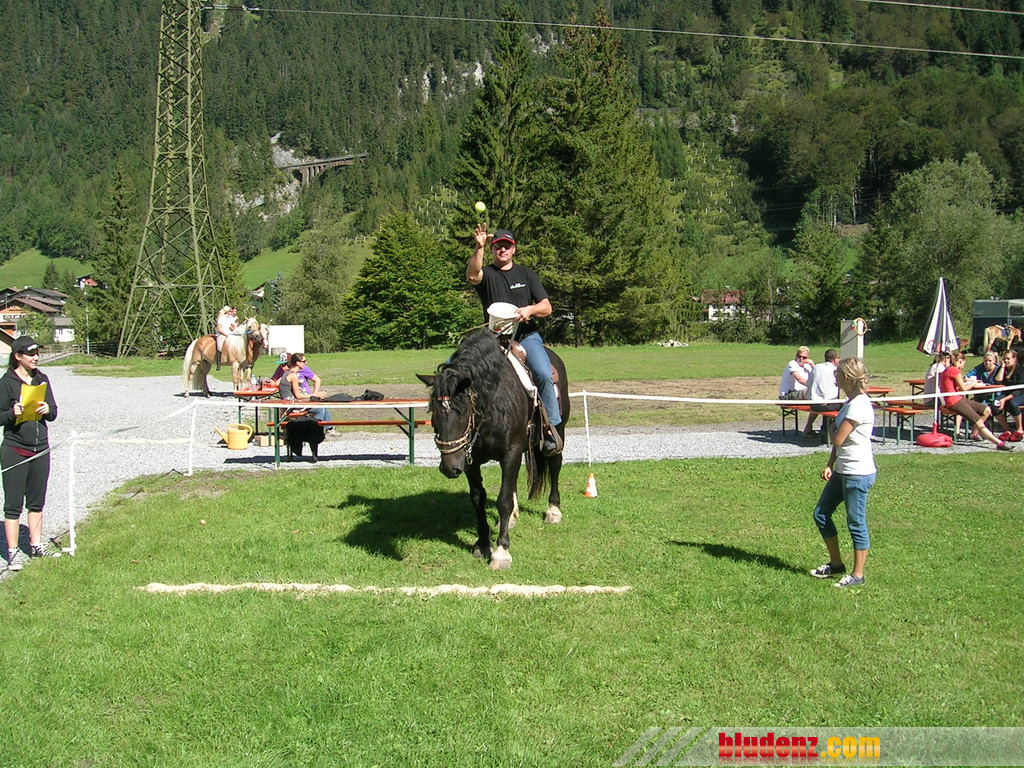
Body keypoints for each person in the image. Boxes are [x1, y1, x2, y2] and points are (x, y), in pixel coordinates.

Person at [468, 224, 561, 455]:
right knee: (457, 370)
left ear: (513, 249)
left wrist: (530, 309)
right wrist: (478, 248)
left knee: (543, 374)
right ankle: (463, 430)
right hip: (492, 339)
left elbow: (546, 307)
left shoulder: (526, 274)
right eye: (498, 246)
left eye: (507, 246)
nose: (502, 250)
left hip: (526, 337)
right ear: (492, 249)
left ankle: (550, 428)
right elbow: (472, 275)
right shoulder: (487, 274)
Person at [809, 357, 876, 589]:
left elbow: (836, 438)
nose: (834, 376)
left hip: (857, 473)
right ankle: (836, 564)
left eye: (837, 373)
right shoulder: (850, 402)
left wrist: (831, 428)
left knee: (855, 522)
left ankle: (858, 575)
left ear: (846, 378)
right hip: (841, 470)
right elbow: (838, 442)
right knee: (821, 514)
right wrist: (830, 464)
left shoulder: (859, 405)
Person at [0, 336, 60, 571]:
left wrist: (47, 409)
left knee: (37, 501)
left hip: (40, 448)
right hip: (14, 449)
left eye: (37, 353)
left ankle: (36, 545)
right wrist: (11, 413)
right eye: (31, 354)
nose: (36, 357)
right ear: (18, 356)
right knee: (13, 504)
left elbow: (54, 412)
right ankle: (13, 551)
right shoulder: (6, 382)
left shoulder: (42, 379)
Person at [939, 351, 1013, 451]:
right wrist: (973, 383)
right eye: (964, 363)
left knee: (986, 410)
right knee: (979, 422)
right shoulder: (955, 370)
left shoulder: (949, 369)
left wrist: (968, 382)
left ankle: (974, 434)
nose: (964, 366)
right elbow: (963, 389)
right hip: (954, 401)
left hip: (959, 398)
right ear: (961, 361)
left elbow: (954, 385)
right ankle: (999, 443)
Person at [279, 353, 330, 424]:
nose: (306, 363)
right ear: (297, 363)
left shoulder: (287, 373)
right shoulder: (293, 376)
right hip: (291, 406)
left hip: (290, 403)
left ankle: (327, 428)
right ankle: (315, 429)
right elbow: (298, 396)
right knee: (320, 409)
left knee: (321, 405)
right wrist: (315, 395)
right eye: (304, 361)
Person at [802, 348, 840, 437]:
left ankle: (810, 428)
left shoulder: (816, 367)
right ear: (835, 359)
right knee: (844, 406)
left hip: (813, 404)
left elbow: (809, 382)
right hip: (825, 404)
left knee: (824, 402)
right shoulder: (834, 370)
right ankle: (829, 431)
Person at [995, 348, 1024, 441]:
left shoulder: (1020, 369)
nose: (1005, 361)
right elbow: (998, 381)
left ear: (1014, 359)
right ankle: (1007, 429)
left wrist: (1004, 399)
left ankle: (1019, 428)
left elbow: (1019, 389)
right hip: (1007, 393)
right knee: (994, 405)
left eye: (1008, 359)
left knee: (1013, 404)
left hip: (1020, 393)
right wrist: (1002, 367)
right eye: (1004, 359)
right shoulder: (1003, 369)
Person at [215, 306, 238, 371]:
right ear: (227, 312)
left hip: (229, 333)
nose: (232, 312)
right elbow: (219, 329)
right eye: (230, 311)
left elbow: (234, 326)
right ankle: (218, 363)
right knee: (219, 346)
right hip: (221, 334)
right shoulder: (221, 318)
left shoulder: (231, 318)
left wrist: (235, 331)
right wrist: (226, 334)